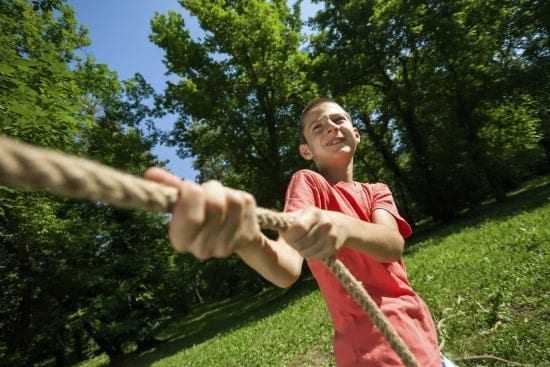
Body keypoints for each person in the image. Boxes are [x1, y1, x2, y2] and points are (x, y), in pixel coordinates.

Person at [144, 98, 455, 366]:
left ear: (356, 134)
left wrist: (343, 226)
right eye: (318, 127)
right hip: (373, 351)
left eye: (338, 120)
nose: (331, 127)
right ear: (306, 150)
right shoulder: (308, 184)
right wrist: (247, 239)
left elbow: (391, 244)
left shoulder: (377, 190)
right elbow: (286, 268)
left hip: (420, 330)